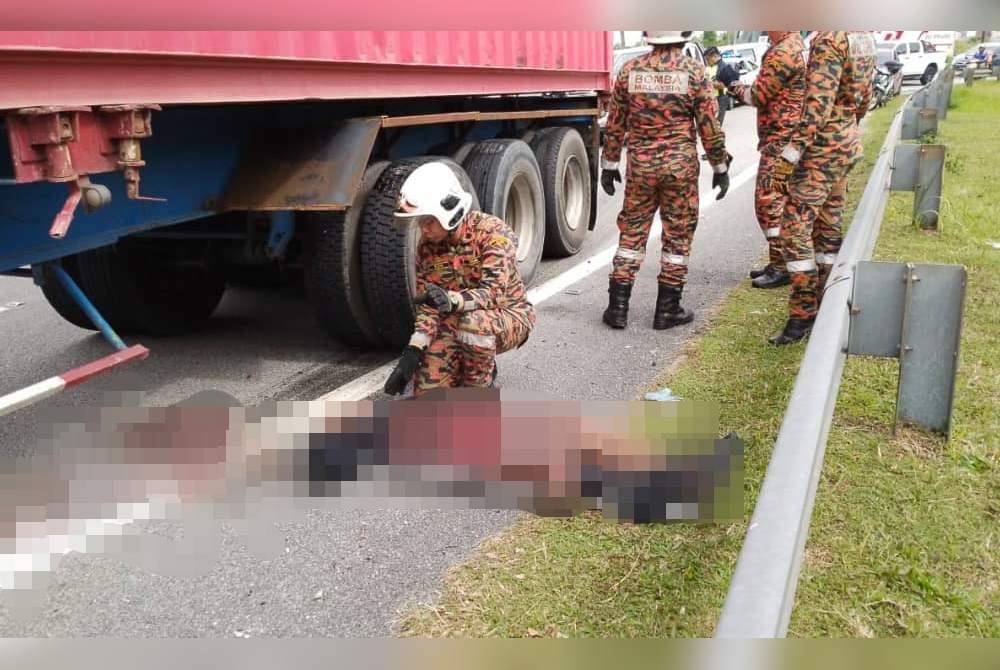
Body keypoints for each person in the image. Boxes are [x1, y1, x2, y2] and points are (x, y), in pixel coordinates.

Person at [600, 30, 731, 332]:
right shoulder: (694, 72)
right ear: (683, 35)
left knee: (632, 234)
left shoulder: (630, 71)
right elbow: (709, 126)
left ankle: (617, 308)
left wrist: (609, 165)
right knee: (677, 236)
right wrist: (720, 167)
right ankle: (667, 310)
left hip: (640, 168)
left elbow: (615, 123)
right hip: (679, 170)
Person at [383, 162, 536, 396]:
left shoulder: (492, 233)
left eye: (428, 221)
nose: (424, 230)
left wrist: (452, 300)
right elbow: (429, 306)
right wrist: (414, 350)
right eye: (421, 222)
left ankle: (480, 385)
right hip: (458, 318)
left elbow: (493, 293)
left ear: (450, 212)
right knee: (427, 393)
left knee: (474, 325)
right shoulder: (427, 248)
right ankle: (467, 362)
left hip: (508, 314)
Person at [768, 31, 876, 345]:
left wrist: (790, 156)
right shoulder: (862, 36)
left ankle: (803, 314)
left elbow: (817, 107)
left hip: (821, 150)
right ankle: (828, 303)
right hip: (845, 143)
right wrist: (847, 128)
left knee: (794, 231)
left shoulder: (829, 39)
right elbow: (864, 97)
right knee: (828, 228)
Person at [729, 31, 807, 290]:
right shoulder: (791, 46)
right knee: (778, 201)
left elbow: (758, 95)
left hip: (780, 140)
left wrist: (732, 83)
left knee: (768, 203)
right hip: (785, 137)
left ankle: (781, 265)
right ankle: (778, 260)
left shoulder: (782, 52)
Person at [704, 46, 742, 125]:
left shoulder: (724, 68)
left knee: (717, 123)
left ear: (714, 56)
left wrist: (710, 83)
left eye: (708, 59)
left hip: (721, 98)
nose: (707, 62)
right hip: (715, 98)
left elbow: (727, 85)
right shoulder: (713, 67)